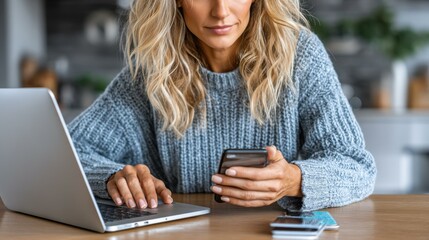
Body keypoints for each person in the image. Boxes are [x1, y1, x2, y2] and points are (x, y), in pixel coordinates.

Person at [68, 0, 376, 211]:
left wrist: (294, 180)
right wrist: (111, 178)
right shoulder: (153, 73)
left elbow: (357, 167)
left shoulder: (300, 56)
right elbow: (67, 153)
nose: (220, 11)